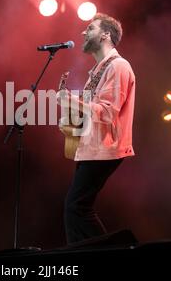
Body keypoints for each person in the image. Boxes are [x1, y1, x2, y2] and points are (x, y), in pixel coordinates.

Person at [59, 13, 136, 244]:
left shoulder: (119, 66)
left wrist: (71, 100)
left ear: (105, 35)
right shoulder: (98, 71)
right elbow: (92, 114)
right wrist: (71, 126)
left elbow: (108, 112)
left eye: (90, 28)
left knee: (76, 207)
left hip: (106, 148)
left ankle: (105, 252)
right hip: (93, 147)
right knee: (78, 208)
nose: (84, 33)